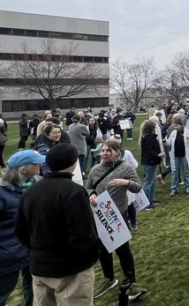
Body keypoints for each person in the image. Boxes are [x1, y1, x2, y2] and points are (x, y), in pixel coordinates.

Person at [15, 144, 99, 306]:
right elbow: (83, 235)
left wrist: (38, 249)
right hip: (70, 271)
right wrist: (93, 253)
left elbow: (20, 230)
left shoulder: (31, 192)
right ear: (74, 163)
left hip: (41, 267)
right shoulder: (73, 192)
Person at [87, 140, 147, 301]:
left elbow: (138, 186)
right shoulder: (95, 170)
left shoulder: (125, 167)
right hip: (100, 215)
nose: (105, 153)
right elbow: (89, 186)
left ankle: (132, 284)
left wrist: (125, 182)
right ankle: (109, 279)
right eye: (103, 150)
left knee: (123, 250)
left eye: (109, 150)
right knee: (102, 248)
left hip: (118, 214)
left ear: (117, 152)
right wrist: (91, 194)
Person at [0, 150, 45, 306]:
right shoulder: (2, 192)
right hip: (8, 255)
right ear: (23, 168)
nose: (41, 165)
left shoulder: (39, 183)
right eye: (36, 163)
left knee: (34, 289)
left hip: (33, 249)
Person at [166, 115, 189, 195]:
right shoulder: (173, 133)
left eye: (177, 125)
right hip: (175, 156)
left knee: (186, 172)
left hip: (185, 156)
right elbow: (169, 142)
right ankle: (174, 188)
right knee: (175, 172)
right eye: (175, 125)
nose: (175, 127)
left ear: (181, 125)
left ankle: (187, 187)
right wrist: (164, 141)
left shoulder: (188, 132)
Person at [140, 120, 165, 210]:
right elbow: (149, 150)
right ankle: (146, 203)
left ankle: (151, 199)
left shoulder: (147, 136)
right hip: (150, 162)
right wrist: (158, 155)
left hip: (151, 161)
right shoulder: (149, 137)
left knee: (152, 181)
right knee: (148, 182)